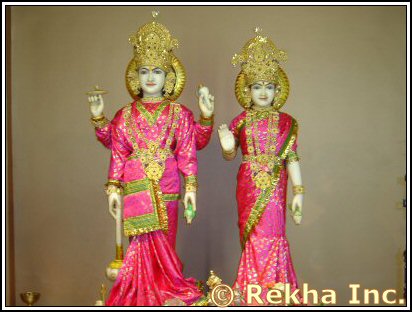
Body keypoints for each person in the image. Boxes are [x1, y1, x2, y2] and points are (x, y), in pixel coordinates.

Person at [89, 13, 214, 306]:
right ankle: (142, 295)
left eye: (157, 72)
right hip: (135, 190)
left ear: (168, 77)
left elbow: (188, 149)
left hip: (168, 186)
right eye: (144, 71)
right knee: (139, 247)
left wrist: (192, 188)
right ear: (136, 76)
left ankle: (164, 293)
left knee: (166, 245)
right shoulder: (124, 114)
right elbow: (118, 150)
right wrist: (112, 189)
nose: (150, 77)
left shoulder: (179, 114)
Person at [218, 29, 304, 306]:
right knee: (253, 236)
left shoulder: (287, 122)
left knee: (275, 234)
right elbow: (230, 155)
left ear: (277, 90)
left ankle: (275, 293)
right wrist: (228, 144)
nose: (263, 92)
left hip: (275, 188)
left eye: (268, 86)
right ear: (247, 90)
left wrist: (299, 191)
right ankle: (252, 293)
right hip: (248, 186)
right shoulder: (240, 121)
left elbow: (291, 157)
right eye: (257, 87)